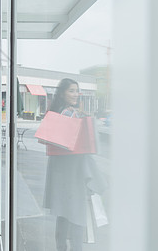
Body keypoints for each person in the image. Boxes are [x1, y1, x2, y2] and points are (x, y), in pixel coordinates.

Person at [43, 78, 107, 251]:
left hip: (63, 173)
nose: (76, 94)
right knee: (78, 217)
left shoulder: (58, 113)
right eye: (71, 90)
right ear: (63, 93)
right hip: (74, 174)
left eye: (77, 91)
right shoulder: (69, 114)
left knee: (64, 216)